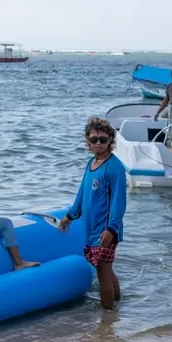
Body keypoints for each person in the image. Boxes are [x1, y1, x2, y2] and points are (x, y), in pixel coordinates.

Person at [58, 118, 127, 310]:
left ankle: (107, 319)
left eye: (103, 140)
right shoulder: (92, 162)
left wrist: (111, 229)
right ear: (87, 141)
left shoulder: (115, 167)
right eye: (94, 139)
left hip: (105, 231)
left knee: (102, 271)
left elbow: (119, 202)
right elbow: (82, 194)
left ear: (111, 141)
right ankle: (118, 304)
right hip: (92, 227)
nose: (98, 143)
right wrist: (69, 216)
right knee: (106, 268)